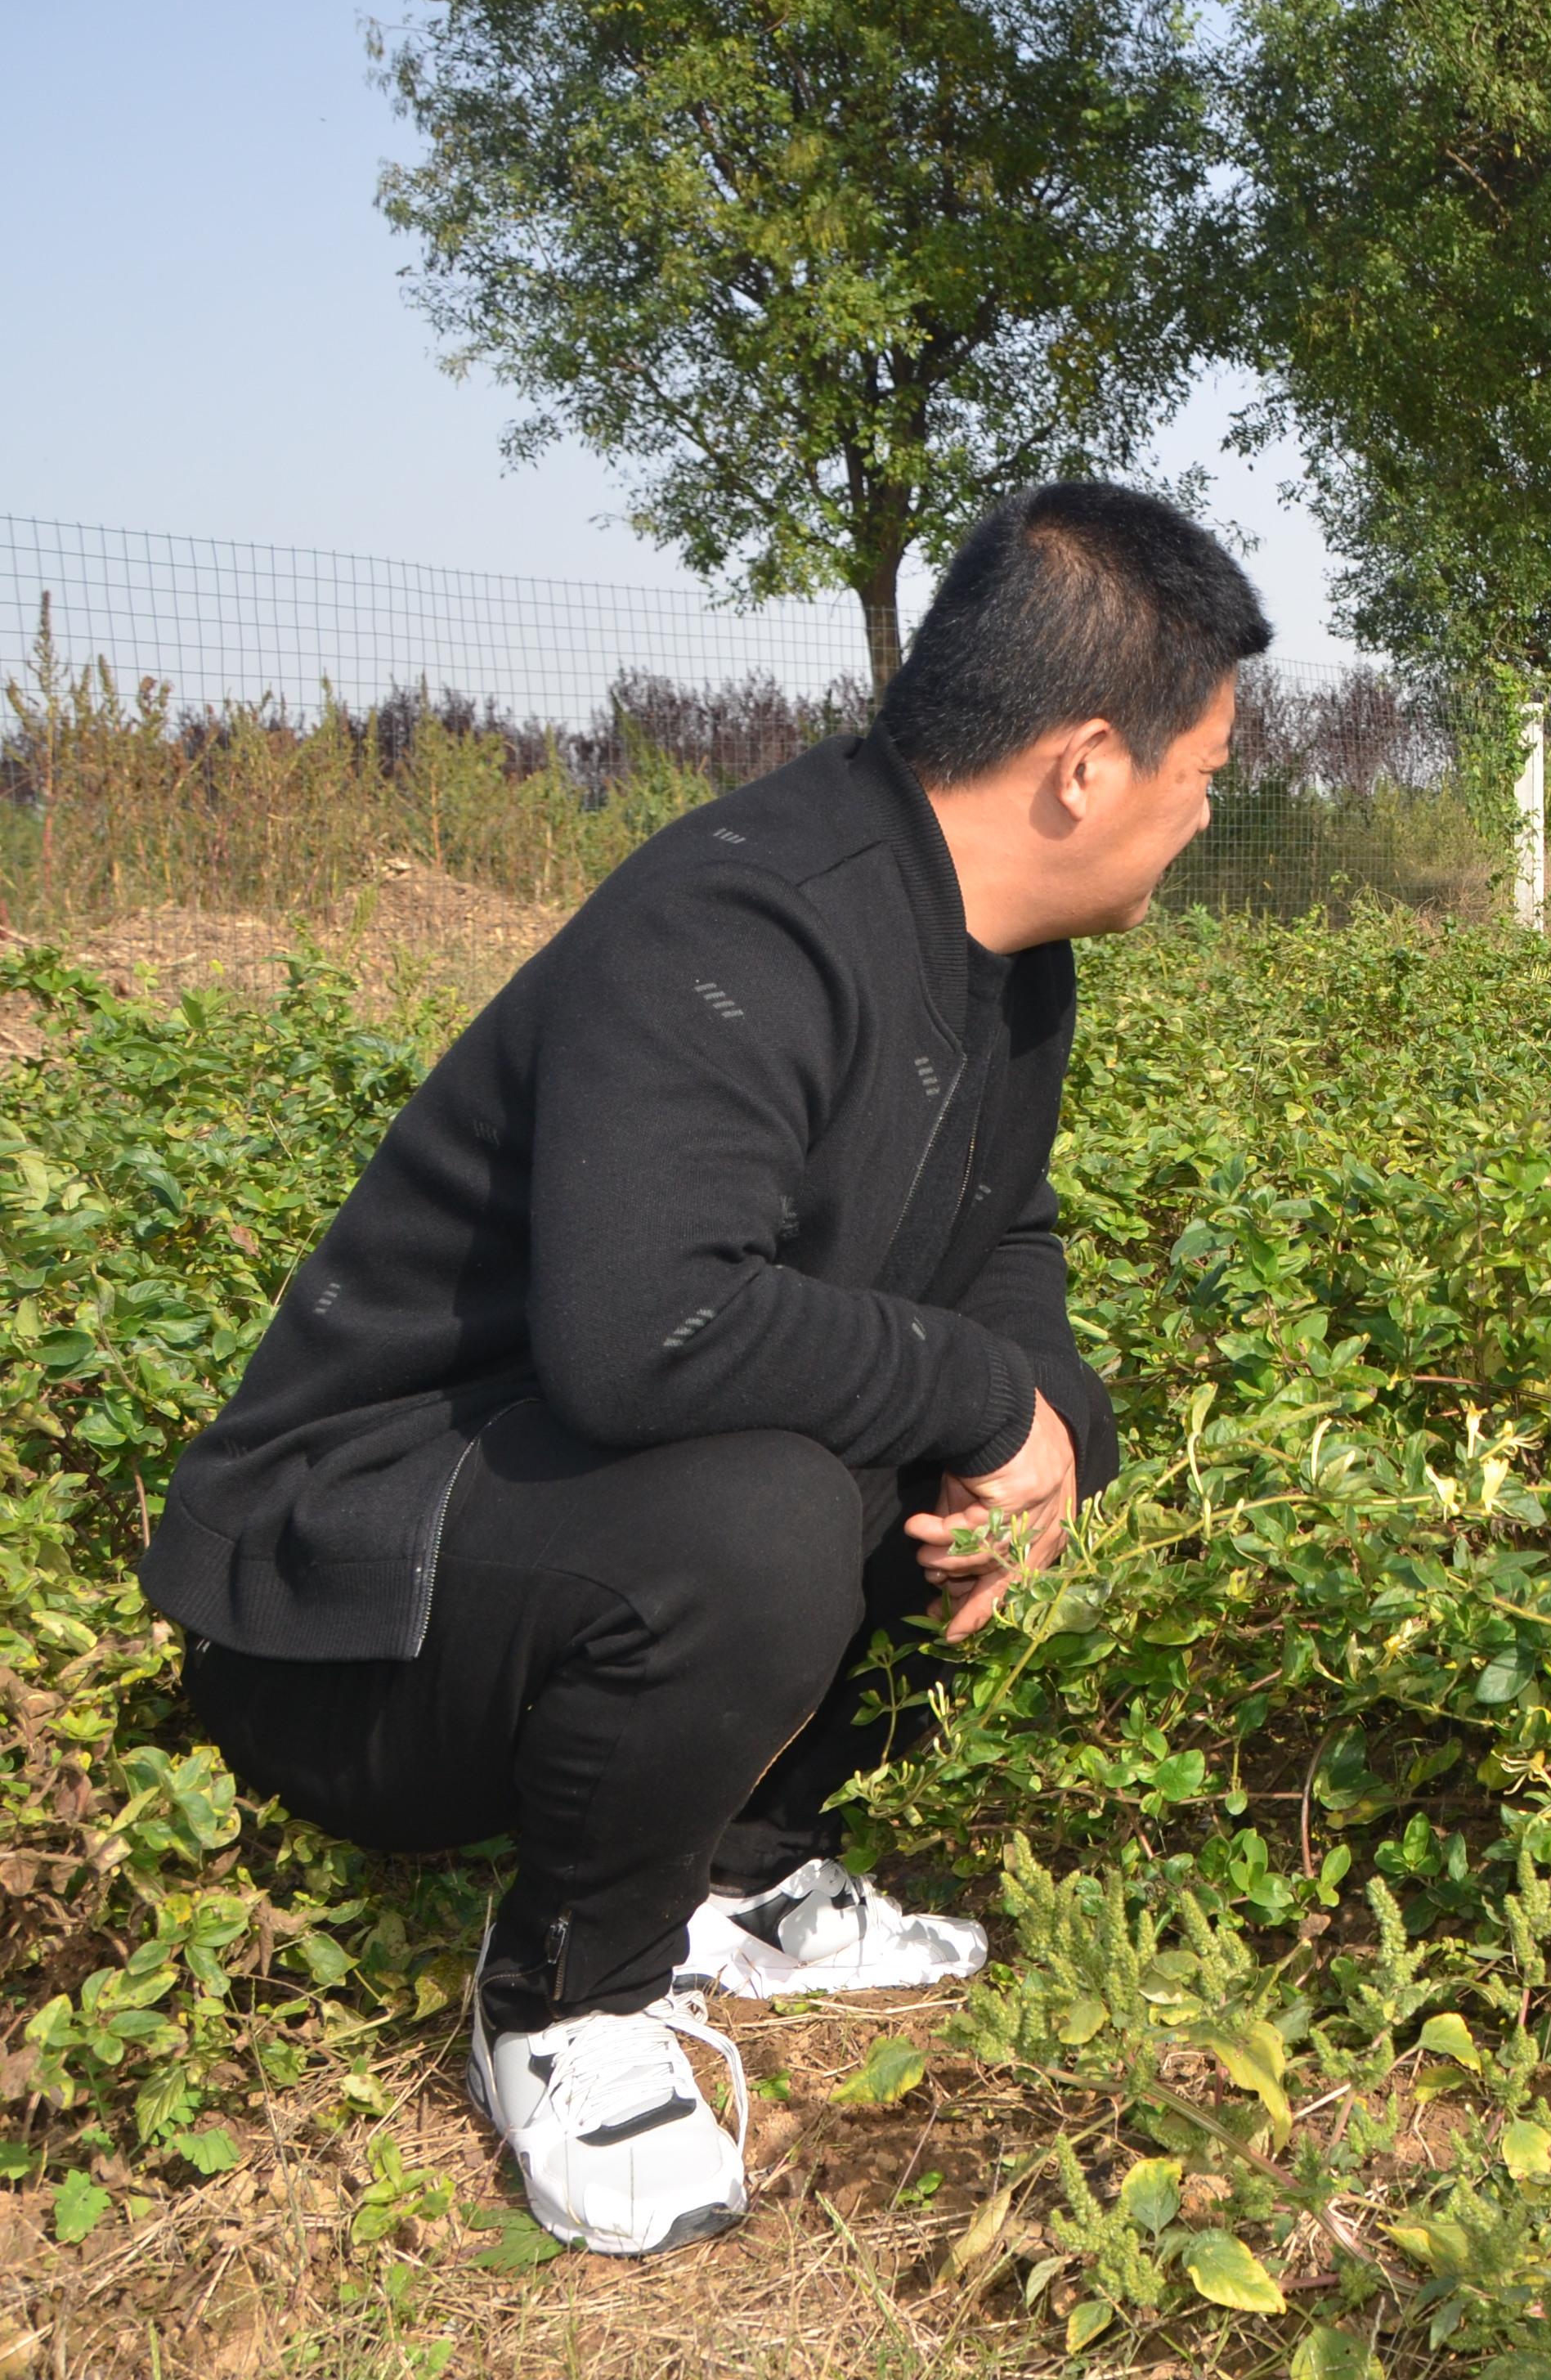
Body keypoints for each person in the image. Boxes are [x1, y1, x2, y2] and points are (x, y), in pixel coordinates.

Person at [138, 482, 1268, 2257]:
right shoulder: (743, 925)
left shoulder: (1005, 962)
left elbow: (1005, 1247)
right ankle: (570, 1998)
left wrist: (1043, 1424)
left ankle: (741, 1866)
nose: (1206, 816)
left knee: (1005, 1430)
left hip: (560, 1522)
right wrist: (977, 1400)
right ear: (1086, 764)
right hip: (353, 1613)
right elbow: (641, 1330)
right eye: (1204, 772)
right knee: (773, 1508)